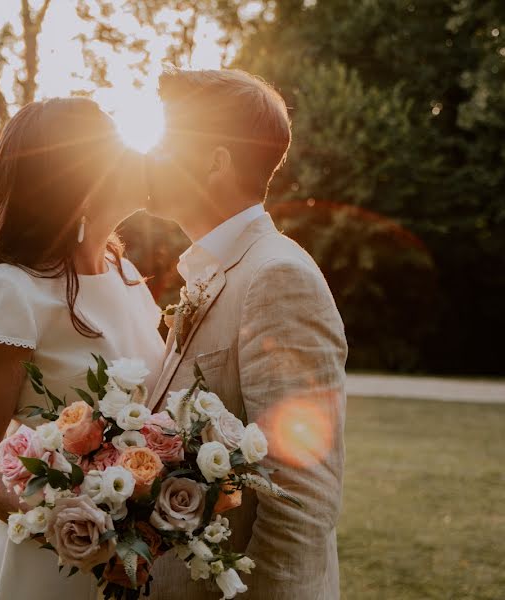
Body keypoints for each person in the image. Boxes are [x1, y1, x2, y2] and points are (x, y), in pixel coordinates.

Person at [0, 98, 165, 600]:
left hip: (139, 560)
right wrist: (70, 531)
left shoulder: (124, 274)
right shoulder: (7, 291)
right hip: (51, 566)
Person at [144, 69, 348, 599]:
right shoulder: (215, 270)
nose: (149, 155)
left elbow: (301, 500)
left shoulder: (277, 278)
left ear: (216, 161)